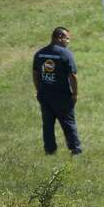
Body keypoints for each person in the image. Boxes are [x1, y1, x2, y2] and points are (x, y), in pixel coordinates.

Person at [32, 26, 82, 155]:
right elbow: (73, 76)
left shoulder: (40, 53)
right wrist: (75, 93)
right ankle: (75, 150)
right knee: (68, 124)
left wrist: (38, 90)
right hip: (62, 96)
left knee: (47, 125)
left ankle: (49, 150)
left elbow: (35, 73)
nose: (68, 41)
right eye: (67, 38)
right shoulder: (65, 54)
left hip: (45, 95)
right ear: (59, 37)